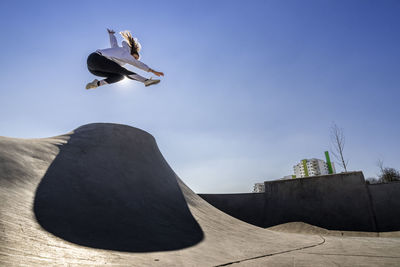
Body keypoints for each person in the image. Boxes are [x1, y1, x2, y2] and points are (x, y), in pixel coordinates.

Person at [85, 29, 164, 90]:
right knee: (123, 71)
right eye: (135, 57)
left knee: (120, 76)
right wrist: (152, 71)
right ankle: (146, 81)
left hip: (94, 69)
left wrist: (111, 34)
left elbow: (114, 43)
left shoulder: (118, 52)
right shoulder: (126, 52)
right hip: (96, 58)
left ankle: (96, 84)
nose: (134, 59)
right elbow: (138, 64)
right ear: (133, 52)